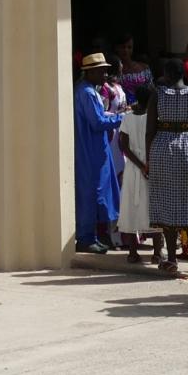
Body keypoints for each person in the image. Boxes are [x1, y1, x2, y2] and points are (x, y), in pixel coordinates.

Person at [146, 56, 188, 276]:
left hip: (163, 147)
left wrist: (149, 158)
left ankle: (172, 259)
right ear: (184, 73)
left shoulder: (157, 94)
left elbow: (150, 129)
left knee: (167, 200)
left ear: (165, 74)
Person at [70, 53, 122, 255]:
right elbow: (97, 122)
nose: (105, 74)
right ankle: (85, 238)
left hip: (96, 148)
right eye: (101, 70)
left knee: (95, 192)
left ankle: (91, 236)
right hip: (90, 149)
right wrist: (121, 118)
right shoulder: (87, 93)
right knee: (91, 193)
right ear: (89, 72)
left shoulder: (88, 90)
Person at [117, 84, 154, 266]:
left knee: (131, 206)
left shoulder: (127, 118)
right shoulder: (154, 117)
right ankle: (157, 252)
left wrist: (139, 165)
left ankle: (133, 252)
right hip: (151, 166)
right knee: (154, 207)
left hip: (133, 167)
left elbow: (123, 145)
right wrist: (147, 165)